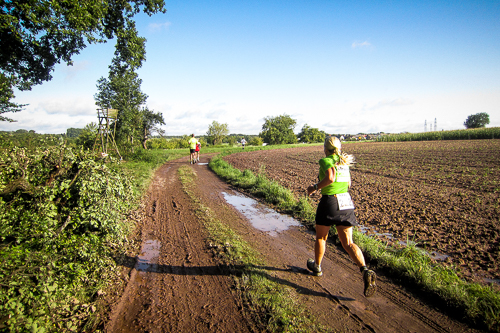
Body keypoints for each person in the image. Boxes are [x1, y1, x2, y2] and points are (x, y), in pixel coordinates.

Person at [306, 136, 377, 297]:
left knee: (321, 238)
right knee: (348, 243)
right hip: (346, 202)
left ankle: (317, 267)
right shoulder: (344, 163)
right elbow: (349, 184)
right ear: (338, 148)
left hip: (330, 202)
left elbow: (330, 178)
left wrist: (314, 187)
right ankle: (365, 270)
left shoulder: (326, 161)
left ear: (325, 148)